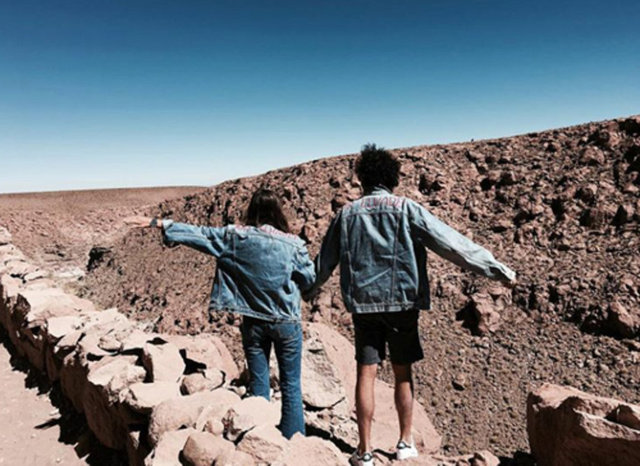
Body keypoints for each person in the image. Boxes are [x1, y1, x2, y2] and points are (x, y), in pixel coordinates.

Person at [305, 144, 516, 465]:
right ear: (392, 177)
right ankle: (405, 444)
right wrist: (496, 269)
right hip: (402, 305)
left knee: (366, 374)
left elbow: (323, 264)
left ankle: (364, 451)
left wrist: (305, 290)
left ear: (363, 178)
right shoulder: (406, 209)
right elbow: (451, 244)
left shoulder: (346, 215)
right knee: (403, 373)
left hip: (364, 306)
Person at [124, 188, 315, 439]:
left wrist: (158, 223)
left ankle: (258, 436)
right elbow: (309, 279)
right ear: (279, 213)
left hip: (253, 321)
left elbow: (199, 234)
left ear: (252, 211)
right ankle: (294, 442)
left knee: (259, 382)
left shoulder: (235, 236)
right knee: (291, 386)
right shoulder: (294, 244)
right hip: (285, 322)